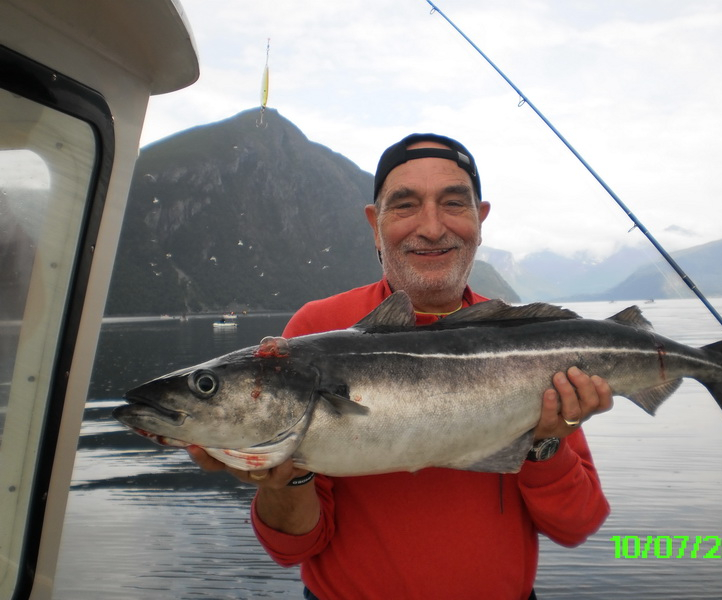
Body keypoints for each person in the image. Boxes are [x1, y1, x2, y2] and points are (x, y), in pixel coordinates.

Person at [188, 133, 613, 599]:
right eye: (405, 205)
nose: (431, 227)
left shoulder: (531, 346)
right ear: (376, 224)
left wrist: (544, 442)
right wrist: (286, 478)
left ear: (480, 219)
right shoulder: (316, 329)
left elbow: (577, 524)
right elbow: (293, 548)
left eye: (453, 203)